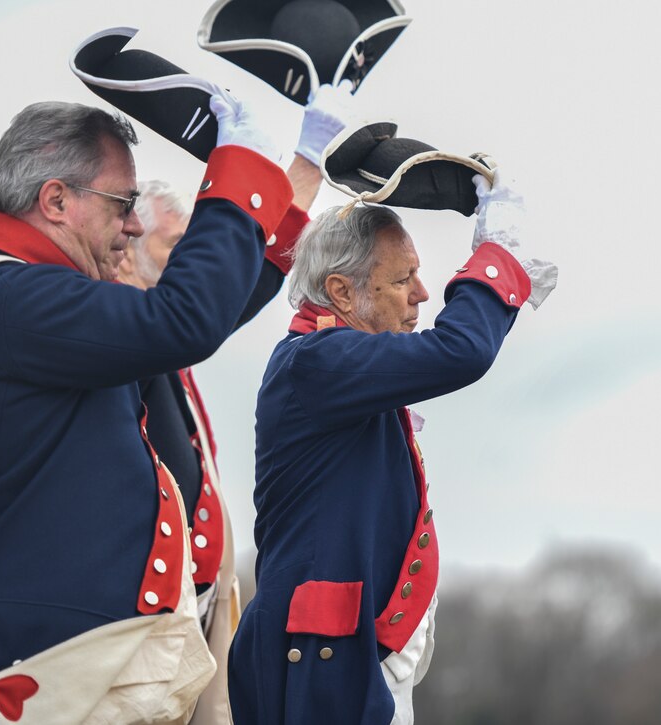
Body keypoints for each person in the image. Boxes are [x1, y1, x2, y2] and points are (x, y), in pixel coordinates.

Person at [0, 94, 292, 724]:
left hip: (67, 669)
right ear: (56, 202)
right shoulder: (9, 294)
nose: (132, 227)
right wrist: (239, 164)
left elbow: (212, 306)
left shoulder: (20, 293)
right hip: (35, 671)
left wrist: (282, 174)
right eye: (123, 204)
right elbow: (186, 318)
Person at [228, 174, 557, 724]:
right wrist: (497, 256)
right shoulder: (316, 360)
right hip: (324, 660)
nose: (423, 294)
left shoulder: (327, 359)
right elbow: (461, 351)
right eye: (404, 279)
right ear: (340, 292)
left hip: (340, 656)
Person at [116, 81, 354, 725]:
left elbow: (240, 278)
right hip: (137, 620)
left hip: (190, 605)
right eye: (176, 251)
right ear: (125, 257)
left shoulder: (157, 338)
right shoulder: (129, 328)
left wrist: (308, 163)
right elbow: (232, 287)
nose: (198, 267)